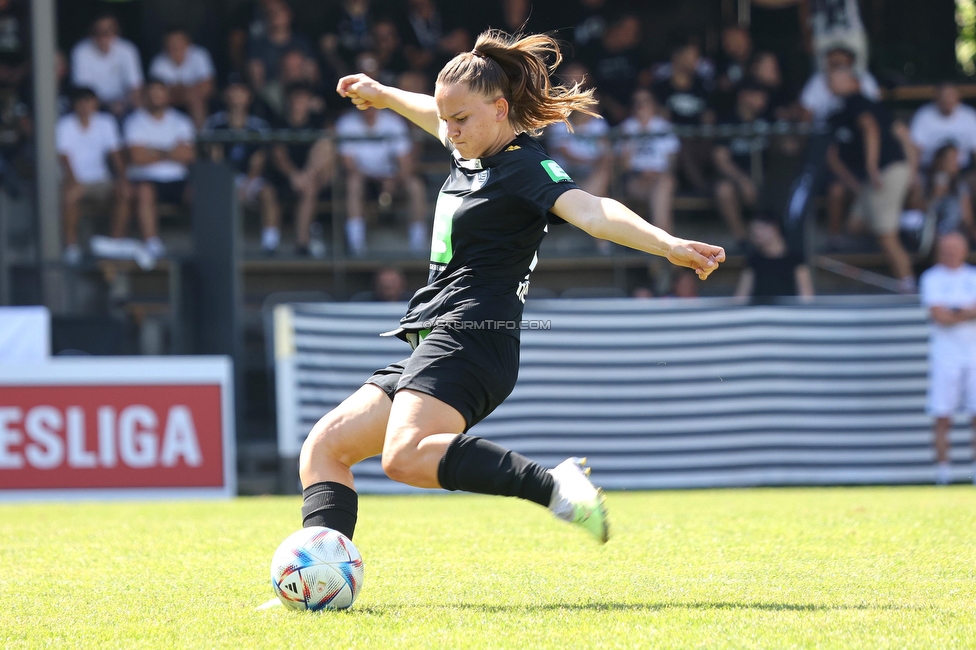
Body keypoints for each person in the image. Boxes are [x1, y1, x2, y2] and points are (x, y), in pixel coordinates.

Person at [298, 30, 725, 547]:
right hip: (434, 336)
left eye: (461, 120)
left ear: (500, 110)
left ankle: (555, 487)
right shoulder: (468, 145)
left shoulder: (523, 164)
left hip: (475, 337)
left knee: (404, 456)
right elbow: (430, 113)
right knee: (324, 447)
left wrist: (667, 244)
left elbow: (592, 210)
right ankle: (322, 572)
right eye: (446, 118)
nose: (449, 130)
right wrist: (383, 94)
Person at [825, 67, 915, 291]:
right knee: (856, 225)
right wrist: (856, 183)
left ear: (854, 82)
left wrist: (872, 167)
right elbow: (832, 155)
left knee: (886, 236)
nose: (830, 82)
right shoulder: (843, 109)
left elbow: (870, 128)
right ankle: (905, 223)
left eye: (836, 77)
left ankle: (909, 289)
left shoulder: (858, 102)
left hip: (884, 171)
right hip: (876, 177)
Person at [919, 232, 976, 485]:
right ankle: (943, 472)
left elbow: (946, 313)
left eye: (955, 248)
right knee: (943, 416)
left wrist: (954, 311)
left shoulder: (972, 276)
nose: (951, 254)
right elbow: (938, 315)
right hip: (945, 357)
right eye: (946, 249)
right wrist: (966, 312)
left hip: (973, 355)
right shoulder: (931, 278)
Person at [203, 74, 282, 255]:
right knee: (216, 195)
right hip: (222, 179)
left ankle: (270, 244)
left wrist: (247, 185)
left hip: (250, 178)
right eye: (232, 91)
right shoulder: (215, 124)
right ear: (225, 95)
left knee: (268, 192)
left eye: (241, 91)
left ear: (248, 96)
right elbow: (215, 159)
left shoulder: (258, 126)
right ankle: (220, 245)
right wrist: (230, 186)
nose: (236, 95)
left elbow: (259, 160)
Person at [336, 102, 428, 256]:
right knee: (353, 183)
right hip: (363, 178)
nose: (368, 109)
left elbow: (405, 162)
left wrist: (394, 180)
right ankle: (356, 244)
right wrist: (374, 179)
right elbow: (348, 164)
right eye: (363, 104)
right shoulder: (346, 123)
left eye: (371, 103)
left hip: (392, 177)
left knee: (415, 186)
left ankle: (418, 244)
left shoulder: (393, 122)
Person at [122, 78, 196, 260]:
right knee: (144, 192)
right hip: (146, 178)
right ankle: (152, 243)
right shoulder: (134, 121)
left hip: (178, 179)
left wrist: (153, 150)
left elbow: (188, 154)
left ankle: (205, 243)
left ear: (167, 96)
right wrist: (171, 151)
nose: (156, 97)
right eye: (152, 93)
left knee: (200, 193)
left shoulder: (181, 121)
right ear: (145, 96)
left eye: (159, 93)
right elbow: (137, 157)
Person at [56, 86, 131, 265]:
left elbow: (115, 155)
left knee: (125, 192)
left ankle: (115, 244)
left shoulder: (106, 122)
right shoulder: (64, 125)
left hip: (101, 180)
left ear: (95, 104)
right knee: (69, 195)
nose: (85, 106)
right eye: (81, 102)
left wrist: (123, 179)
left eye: (89, 101)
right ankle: (71, 247)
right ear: (74, 105)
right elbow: (65, 159)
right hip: (75, 180)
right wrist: (74, 182)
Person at [270, 82, 335, 257]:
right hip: (288, 177)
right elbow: (278, 155)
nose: (298, 102)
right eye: (295, 98)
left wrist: (306, 174)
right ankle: (302, 243)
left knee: (325, 144)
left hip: (316, 174)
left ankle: (303, 242)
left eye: (303, 98)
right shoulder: (279, 121)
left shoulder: (318, 120)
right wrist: (294, 175)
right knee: (309, 187)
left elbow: (328, 144)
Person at [712, 81, 771, 246]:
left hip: (768, 177)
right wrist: (743, 180)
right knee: (723, 190)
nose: (763, 100)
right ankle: (742, 239)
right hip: (737, 177)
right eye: (758, 95)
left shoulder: (768, 118)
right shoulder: (727, 120)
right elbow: (720, 158)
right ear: (743, 96)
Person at [618, 89, 679, 236]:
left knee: (664, 184)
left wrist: (657, 174)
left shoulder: (664, 126)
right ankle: (664, 240)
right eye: (637, 103)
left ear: (654, 105)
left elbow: (672, 161)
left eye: (646, 102)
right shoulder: (626, 128)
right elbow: (623, 166)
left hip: (660, 177)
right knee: (663, 192)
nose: (641, 106)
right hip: (637, 179)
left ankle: (660, 237)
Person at [70, 13, 143, 117]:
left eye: (108, 31)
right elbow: (82, 91)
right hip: (94, 108)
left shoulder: (127, 49)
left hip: (125, 106)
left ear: (117, 32)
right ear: (91, 33)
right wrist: (108, 105)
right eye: (98, 31)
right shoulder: (81, 51)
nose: (104, 35)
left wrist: (124, 104)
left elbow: (135, 87)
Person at [733, 216, 814, 301]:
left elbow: (806, 295)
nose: (756, 233)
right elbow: (741, 296)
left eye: (761, 228)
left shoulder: (795, 259)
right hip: (760, 311)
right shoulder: (754, 261)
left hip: (789, 311)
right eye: (753, 231)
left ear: (775, 228)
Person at [148, 27, 215, 129]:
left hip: (194, 99)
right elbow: (158, 93)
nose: (175, 46)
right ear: (165, 46)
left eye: (179, 41)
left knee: (196, 99)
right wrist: (187, 91)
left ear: (188, 43)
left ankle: (201, 139)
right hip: (169, 101)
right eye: (171, 43)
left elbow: (208, 87)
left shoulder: (199, 55)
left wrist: (181, 91)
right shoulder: (158, 62)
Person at [799, 44, 878, 123]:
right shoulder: (818, 79)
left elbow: (872, 113)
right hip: (824, 130)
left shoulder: (863, 79)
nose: (834, 67)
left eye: (839, 63)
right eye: (832, 63)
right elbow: (806, 112)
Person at [910, 83, 976, 175]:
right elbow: (915, 148)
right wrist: (913, 174)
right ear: (936, 97)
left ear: (958, 97)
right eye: (943, 96)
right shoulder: (924, 115)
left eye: (950, 96)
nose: (947, 100)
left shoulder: (970, 116)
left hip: (963, 171)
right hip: (930, 170)